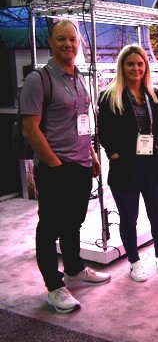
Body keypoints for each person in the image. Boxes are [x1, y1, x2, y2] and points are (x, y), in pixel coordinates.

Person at [20, 19, 110, 314]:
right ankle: (54, 286)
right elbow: (30, 129)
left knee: (74, 222)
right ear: (51, 42)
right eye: (61, 39)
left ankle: (74, 269)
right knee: (49, 227)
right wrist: (55, 165)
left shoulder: (79, 77)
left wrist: (92, 155)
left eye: (72, 39)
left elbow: (82, 122)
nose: (68, 44)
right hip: (55, 167)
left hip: (81, 164)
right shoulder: (39, 79)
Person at [97, 44, 158, 282]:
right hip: (125, 167)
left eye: (140, 64)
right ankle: (134, 261)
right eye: (130, 64)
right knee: (129, 217)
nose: (136, 68)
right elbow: (104, 132)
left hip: (153, 165)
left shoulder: (153, 94)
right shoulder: (109, 96)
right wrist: (114, 155)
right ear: (122, 66)